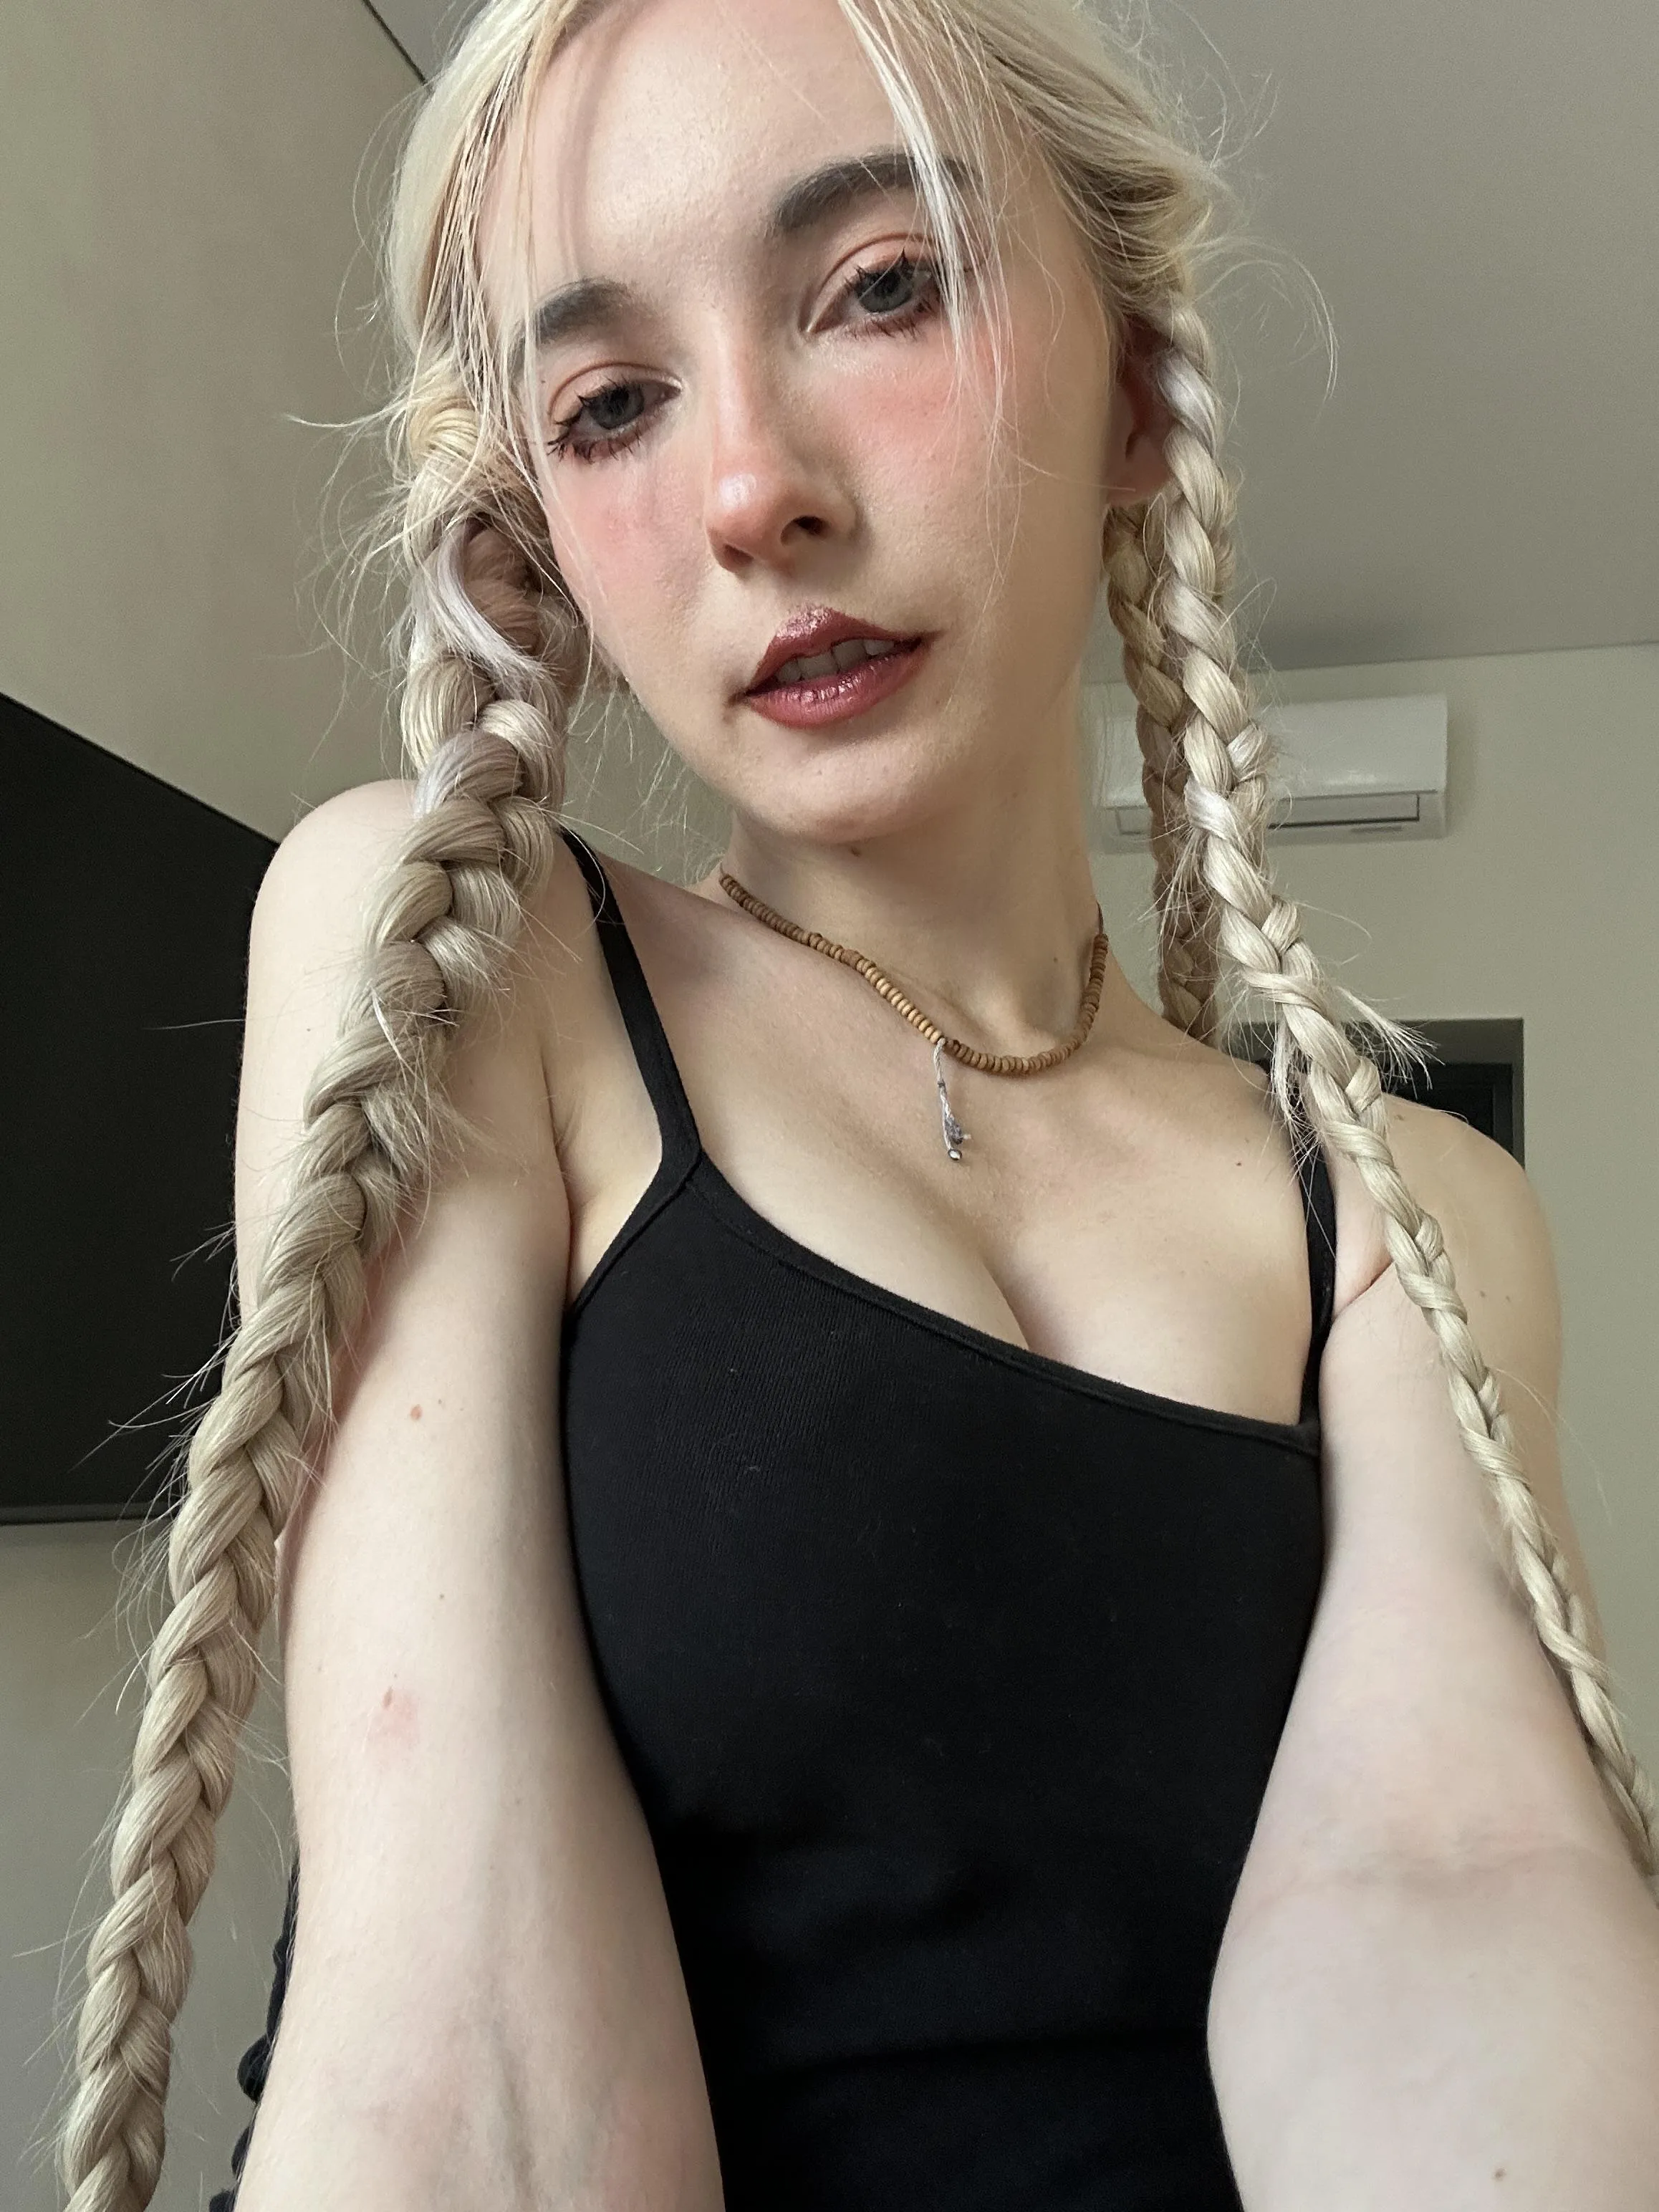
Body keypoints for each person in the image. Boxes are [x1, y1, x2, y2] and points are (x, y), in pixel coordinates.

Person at [59, 1, 1659, 2208]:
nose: (751, 493)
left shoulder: (1406, 1210)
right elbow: (457, 2062)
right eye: (610, 404)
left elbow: (1453, 1904)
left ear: (1136, 386)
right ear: (540, 534)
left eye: (880, 287)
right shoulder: (468, 962)